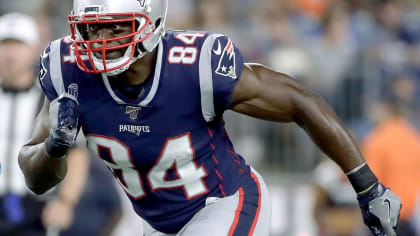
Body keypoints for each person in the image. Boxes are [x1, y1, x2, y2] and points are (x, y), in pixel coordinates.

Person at [18, 0, 402, 235]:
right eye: (91, 28)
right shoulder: (67, 71)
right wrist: (55, 146)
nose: (99, 40)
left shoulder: (194, 65)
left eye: (114, 27)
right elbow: (35, 178)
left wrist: (369, 187)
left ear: (150, 22)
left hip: (223, 202)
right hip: (158, 223)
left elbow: (301, 102)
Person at [0, 12, 89, 235]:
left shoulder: (51, 101)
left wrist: (66, 201)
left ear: (33, 50)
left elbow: (76, 154)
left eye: (18, 45)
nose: (10, 54)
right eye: (5, 45)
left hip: (36, 208)